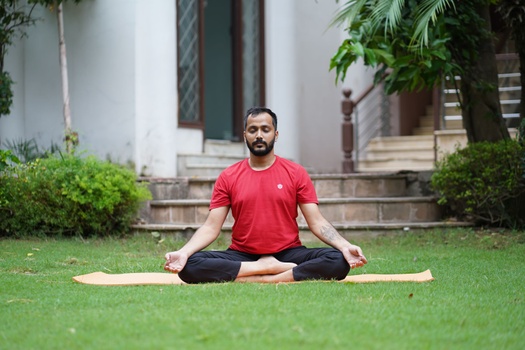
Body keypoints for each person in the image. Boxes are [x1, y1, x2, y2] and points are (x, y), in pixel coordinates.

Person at [164, 107, 367, 283]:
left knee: (338, 260)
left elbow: (316, 222)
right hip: (242, 255)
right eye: (253, 130)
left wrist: (345, 245)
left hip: (288, 253)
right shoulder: (229, 176)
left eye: (265, 129)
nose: (259, 135)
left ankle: (268, 274)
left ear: (275, 135)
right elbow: (211, 227)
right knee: (190, 265)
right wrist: (184, 253)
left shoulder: (295, 172)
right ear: (245, 135)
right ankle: (266, 269)